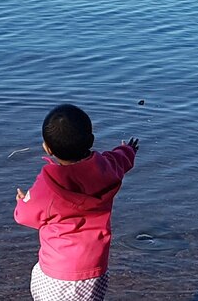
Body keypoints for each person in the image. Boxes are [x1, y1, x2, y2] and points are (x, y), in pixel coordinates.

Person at [14, 104, 139, 301]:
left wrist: (23, 201)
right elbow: (122, 160)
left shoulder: (49, 184)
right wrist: (128, 149)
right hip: (95, 271)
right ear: (91, 140)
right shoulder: (107, 167)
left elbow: (25, 216)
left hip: (56, 273)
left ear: (47, 148)